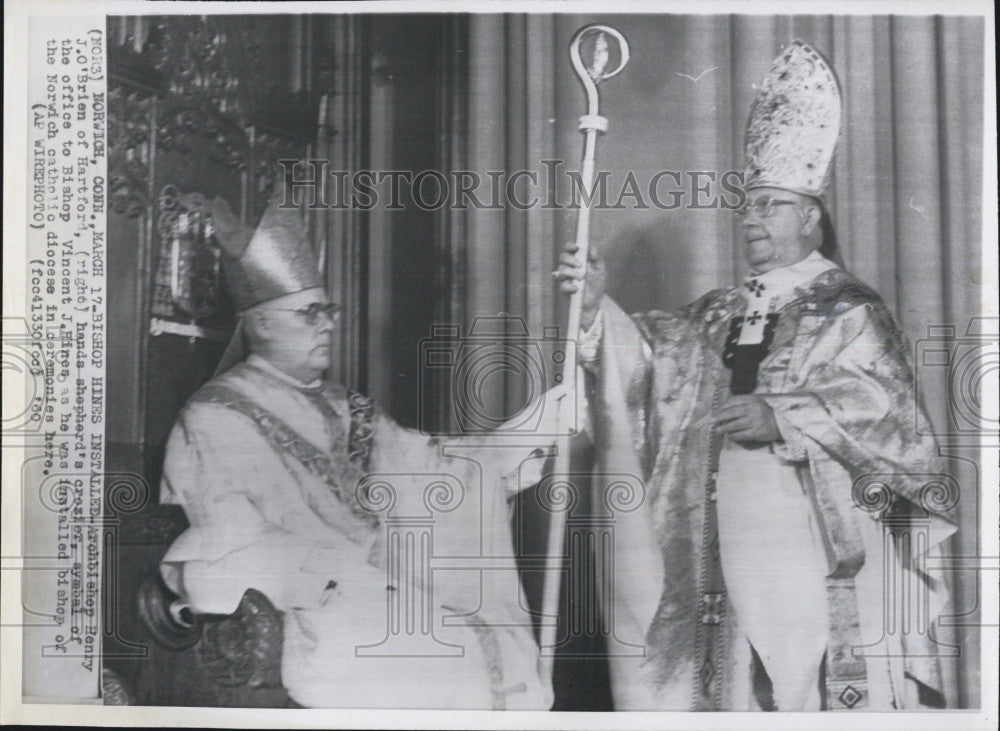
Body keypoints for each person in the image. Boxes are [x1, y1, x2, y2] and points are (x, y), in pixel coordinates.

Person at [556, 40, 956, 711]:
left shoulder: (851, 308)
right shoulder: (721, 310)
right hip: (713, 535)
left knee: (800, 687)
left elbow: (891, 422)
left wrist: (782, 416)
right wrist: (597, 310)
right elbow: (653, 363)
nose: (750, 216)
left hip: (807, 534)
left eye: (769, 204)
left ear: (810, 217)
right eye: (749, 204)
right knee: (729, 688)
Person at [158, 196, 565, 709]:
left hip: (379, 585)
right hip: (310, 599)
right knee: (438, 649)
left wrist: (534, 428)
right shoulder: (215, 415)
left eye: (328, 311)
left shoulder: (345, 405)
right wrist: (343, 572)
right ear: (259, 325)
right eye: (310, 314)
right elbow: (229, 541)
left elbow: (438, 473)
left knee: (474, 636)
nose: (328, 325)